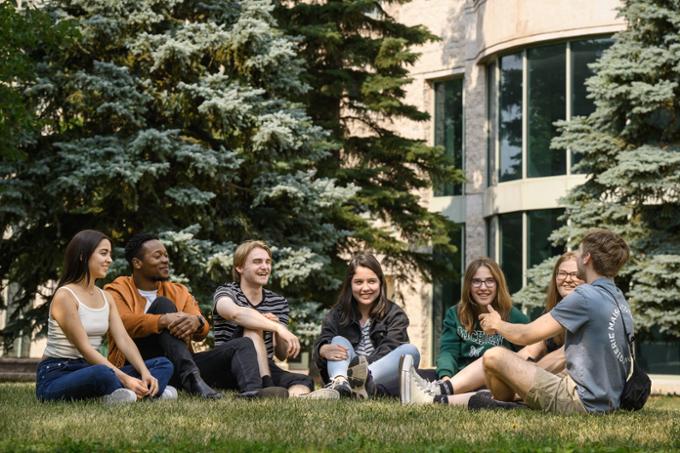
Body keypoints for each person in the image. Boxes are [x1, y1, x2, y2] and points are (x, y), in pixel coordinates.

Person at [407, 228, 635, 413]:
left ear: (587, 258)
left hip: (579, 400)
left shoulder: (585, 296)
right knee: (501, 371)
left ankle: (445, 395)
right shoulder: (618, 300)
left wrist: (497, 323)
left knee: (494, 356)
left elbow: (526, 335)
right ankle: (468, 399)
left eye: (578, 253)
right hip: (606, 401)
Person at [106, 233, 278, 399]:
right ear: (137, 263)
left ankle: (253, 392)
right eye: (157, 256)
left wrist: (196, 322)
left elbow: (202, 329)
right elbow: (123, 323)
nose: (165, 260)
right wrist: (162, 320)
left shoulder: (178, 290)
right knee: (163, 305)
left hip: (179, 363)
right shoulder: (116, 289)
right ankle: (191, 378)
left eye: (166, 255)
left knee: (242, 344)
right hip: (142, 367)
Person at [401, 252, 584, 408]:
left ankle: (434, 396)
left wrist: (516, 372)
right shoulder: (554, 311)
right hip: (464, 375)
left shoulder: (516, 316)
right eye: (562, 273)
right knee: (487, 364)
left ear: (498, 285)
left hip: (556, 386)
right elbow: (530, 348)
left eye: (575, 274)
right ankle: (436, 391)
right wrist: (447, 376)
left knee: (493, 365)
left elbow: (549, 349)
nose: (568, 279)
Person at [36, 230, 174, 403]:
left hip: (90, 367)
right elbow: (85, 349)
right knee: (102, 373)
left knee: (162, 364)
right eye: (103, 253)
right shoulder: (65, 296)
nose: (109, 259)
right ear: (82, 256)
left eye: (109, 254)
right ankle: (147, 393)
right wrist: (126, 378)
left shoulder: (105, 296)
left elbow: (123, 339)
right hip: (57, 374)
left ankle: (133, 393)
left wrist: (145, 372)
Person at [212, 240, 314, 398]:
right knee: (252, 327)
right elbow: (234, 313)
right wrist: (276, 327)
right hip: (229, 365)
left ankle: (295, 401)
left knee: (302, 380)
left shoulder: (278, 302)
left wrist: (277, 328)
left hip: (264, 366)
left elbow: (281, 355)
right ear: (240, 267)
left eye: (268, 262)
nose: (265, 267)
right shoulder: (227, 292)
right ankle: (265, 386)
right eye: (257, 262)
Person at [312, 253, 420, 398]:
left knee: (410, 352)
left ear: (380, 283)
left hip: (378, 377)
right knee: (338, 341)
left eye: (371, 281)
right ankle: (341, 383)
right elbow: (325, 340)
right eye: (358, 282)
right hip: (343, 371)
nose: (365, 288)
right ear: (350, 285)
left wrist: (361, 371)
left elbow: (389, 350)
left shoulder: (395, 314)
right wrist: (322, 349)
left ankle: (352, 386)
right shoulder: (337, 314)